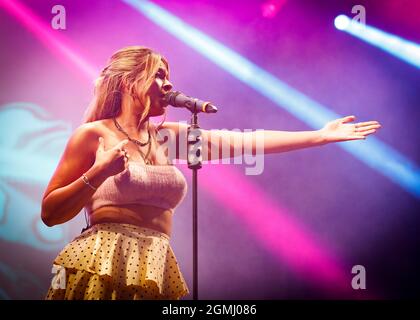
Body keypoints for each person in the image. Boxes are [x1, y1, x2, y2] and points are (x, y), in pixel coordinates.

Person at [41, 46, 381, 300]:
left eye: (167, 74)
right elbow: (50, 213)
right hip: (104, 258)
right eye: (158, 74)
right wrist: (98, 173)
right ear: (129, 82)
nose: (169, 82)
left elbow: (246, 141)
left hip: (154, 262)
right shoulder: (93, 135)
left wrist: (319, 135)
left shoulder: (168, 136)